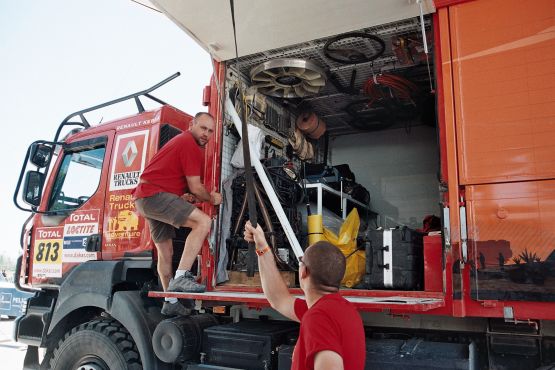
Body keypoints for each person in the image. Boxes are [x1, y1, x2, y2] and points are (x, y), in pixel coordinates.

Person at [244, 221, 366, 370]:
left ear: (304, 272)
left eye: (301, 261)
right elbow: (279, 299)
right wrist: (262, 247)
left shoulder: (318, 318)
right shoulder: (343, 310)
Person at [134, 112, 222, 316]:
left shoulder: (183, 142)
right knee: (203, 223)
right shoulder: (189, 143)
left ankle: (170, 301)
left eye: (210, 131)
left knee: (166, 254)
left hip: (146, 197)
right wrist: (211, 198)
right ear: (192, 124)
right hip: (153, 196)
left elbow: (172, 180)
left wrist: (183, 197)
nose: (206, 134)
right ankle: (182, 276)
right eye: (203, 128)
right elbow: (196, 186)